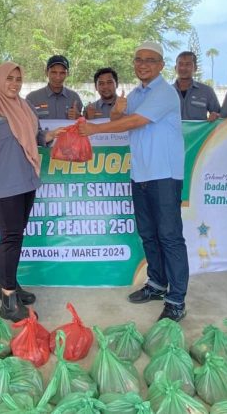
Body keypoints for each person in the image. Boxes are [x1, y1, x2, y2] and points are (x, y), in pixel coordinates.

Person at [78, 41, 190, 322]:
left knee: (170, 237)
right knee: (148, 234)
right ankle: (155, 284)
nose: (142, 64)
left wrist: (94, 128)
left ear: (161, 65)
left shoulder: (164, 92)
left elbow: (135, 122)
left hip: (163, 175)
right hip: (140, 173)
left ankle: (176, 299)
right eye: (138, 59)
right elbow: (122, 116)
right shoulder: (139, 92)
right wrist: (117, 110)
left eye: (150, 60)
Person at [0, 62, 63, 322]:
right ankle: (8, 300)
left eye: (18, 78)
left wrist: (49, 137)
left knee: (16, 236)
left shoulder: (25, 105)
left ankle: (11, 286)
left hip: (27, 180)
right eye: (9, 78)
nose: (14, 83)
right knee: (10, 237)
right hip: (4, 183)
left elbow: (35, 137)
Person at [25, 55, 83, 120]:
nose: (58, 77)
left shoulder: (74, 98)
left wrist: (79, 117)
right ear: (46, 72)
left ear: (67, 74)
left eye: (62, 73)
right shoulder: (32, 98)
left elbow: (82, 125)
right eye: (54, 72)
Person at [173, 51, 220, 121]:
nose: (183, 68)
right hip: (170, 132)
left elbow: (218, 114)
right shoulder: (166, 92)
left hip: (200, 132)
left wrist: (216, 116)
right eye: (180, 64)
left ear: (195, 68)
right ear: (175, 68)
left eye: (188, 64)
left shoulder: (207, 91)